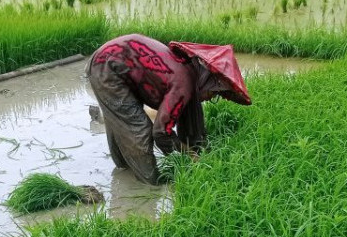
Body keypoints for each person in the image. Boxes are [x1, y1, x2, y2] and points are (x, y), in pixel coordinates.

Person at [86, 34, 252, 185]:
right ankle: (150, 183)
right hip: (107, 68)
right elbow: (161, 131)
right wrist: (188, 155)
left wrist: (196, 149)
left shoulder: (190, 69)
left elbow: (188, 114)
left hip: (115, 62)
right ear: (207, 82)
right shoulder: (184, 84)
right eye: (213, 93)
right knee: (139, 130)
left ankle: (124, 167)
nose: (210, 98)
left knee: (122, 121)